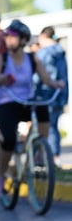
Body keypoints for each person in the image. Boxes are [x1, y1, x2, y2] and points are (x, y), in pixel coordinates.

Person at [0, 19, 65, 197]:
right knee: (8, 139)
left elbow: (46, 79)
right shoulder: (2, 58)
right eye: (7, 36)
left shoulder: (32, 58)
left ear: (23, 40)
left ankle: (39, 150)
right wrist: (0, 79)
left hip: (25, 102)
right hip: (5, 103)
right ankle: (0, 176)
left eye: (12, 37)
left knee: (42, 107)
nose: (8, 40)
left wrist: (56, 84)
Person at [34, 26, 68, 162]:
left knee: (45, 127)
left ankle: (47, 159)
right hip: (59, 95)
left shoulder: (45, 53)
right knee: (53, 126)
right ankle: (55, 156)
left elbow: (40, 77)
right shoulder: (60, 52)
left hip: (45, 96)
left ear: (43, 36)